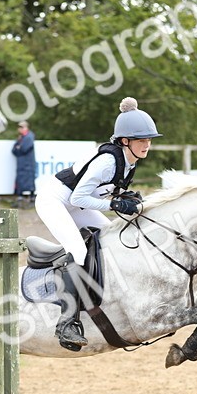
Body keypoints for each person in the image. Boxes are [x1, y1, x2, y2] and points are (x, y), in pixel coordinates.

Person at [33, 96, 161, 350]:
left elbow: (99, 195)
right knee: (78, 249)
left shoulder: (129, 162)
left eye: (149, 139)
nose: (147, 144)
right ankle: (66, 322)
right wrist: (114, 205)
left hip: (76, 203)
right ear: (125, 141)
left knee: (109, 237)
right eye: (141, 140)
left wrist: (126, 200)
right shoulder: (109, 161)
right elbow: (78, 196)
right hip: (54, 200)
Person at [11, 120, 36, 198]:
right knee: (21, 179)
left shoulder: (29, 137)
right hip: (22, 163)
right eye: (19, 127)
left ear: (26, 127)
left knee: (29, 179)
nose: (20, 129)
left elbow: (24, 149)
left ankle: (31, 196)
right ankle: (20, 196)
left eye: (22, 127)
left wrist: (19, 148)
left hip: (28, 163)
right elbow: (14, 150)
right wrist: (18, 148)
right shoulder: (21, 137)